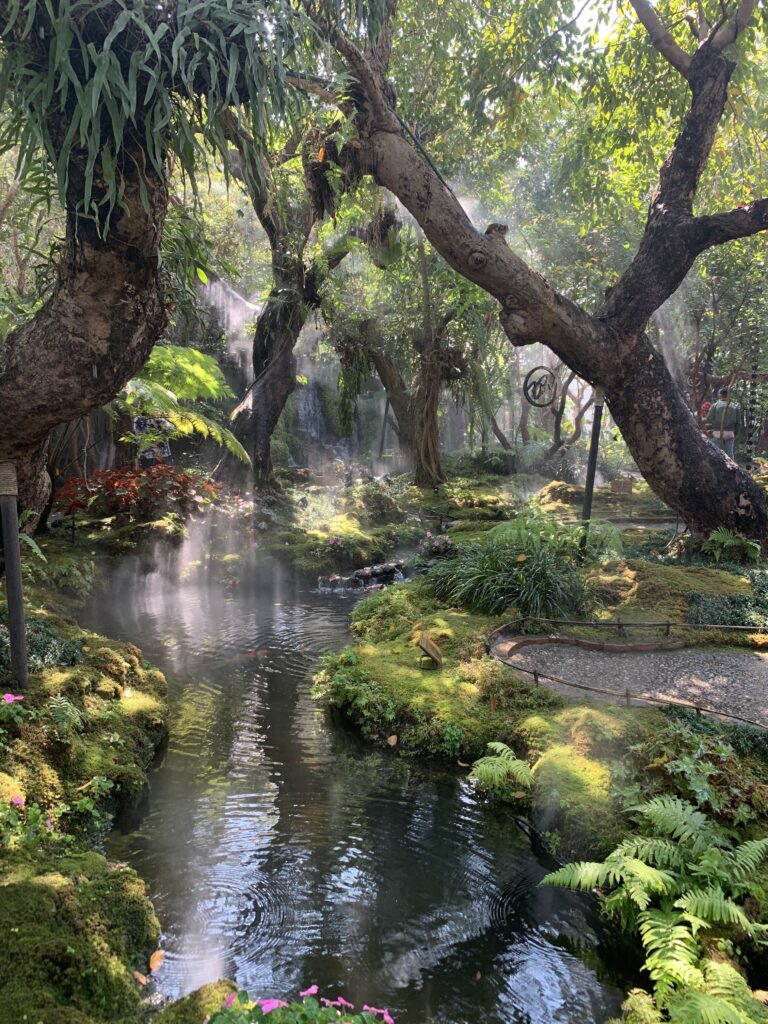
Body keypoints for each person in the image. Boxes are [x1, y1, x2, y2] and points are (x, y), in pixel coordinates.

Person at [705, 388, 740, 458]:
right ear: (728, 395)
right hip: (730, 432)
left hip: (717, 432)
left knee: (716, 452)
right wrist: (736, 433)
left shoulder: (715, 405)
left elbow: (708, 419)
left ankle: (716, 466)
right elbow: (738, 422)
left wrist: (710, 431)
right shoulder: (735, 406)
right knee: (730, 452)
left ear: (720, 395)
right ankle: (733, 467)